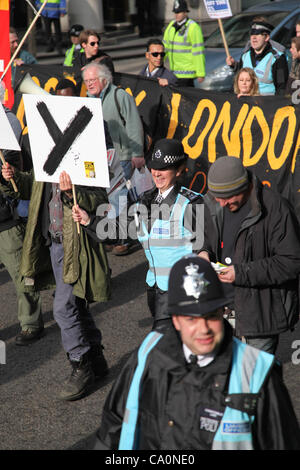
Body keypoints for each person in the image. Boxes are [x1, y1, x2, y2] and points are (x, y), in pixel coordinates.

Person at [93, 255, 300, 450]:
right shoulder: (148, 353)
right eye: (191, 318)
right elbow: (114, 425)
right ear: (175, 320)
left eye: (211, 316)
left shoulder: (257, 374)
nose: (204, 329)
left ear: (223, 312)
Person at [1, 111, 111, 400]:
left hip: (75, 247)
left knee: (64, 308)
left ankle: (81, 363)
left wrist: (70, 193)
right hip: (53, 245)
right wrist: (12, 177)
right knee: (76, 303)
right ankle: (96, 359)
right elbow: (31, 188)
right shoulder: (47, 167)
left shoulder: (83, 164)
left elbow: (100, 201)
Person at [72, 138, 204, 331]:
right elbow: (120, 229)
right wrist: (89, 221)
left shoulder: (192, 203)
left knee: (171, 348)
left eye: (164, 168)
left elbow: (204, 251)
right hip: (155, 290)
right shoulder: (146, 200)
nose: (156, 173)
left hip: (183, 293)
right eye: (153, 167)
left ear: (179, 169)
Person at [199, 156, 300, 354]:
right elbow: (205, 237)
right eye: (217, 197)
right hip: (220, 308)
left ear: (244, 186)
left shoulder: (276, 209)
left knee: (254, 379)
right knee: (223, 377)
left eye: (227, 198)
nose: (221, 204)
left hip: (259, 314)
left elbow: (292, 261)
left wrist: (240, 273)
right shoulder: (213, 201)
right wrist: (203, 252)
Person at [82, 62, 144, 255]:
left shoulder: (120, 96)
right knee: (106, 199)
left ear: (104, 79)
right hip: (99, 159)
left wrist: (138, 154)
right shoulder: (88, 99)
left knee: (120, 199)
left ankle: (122, 240)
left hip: (121, 157)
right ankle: (109, 233)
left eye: (92, 80)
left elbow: (134, 125)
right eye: (86, 81)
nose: (89, 84)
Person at [0, 82, 43, 346]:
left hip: (6, 216)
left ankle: (30, 323)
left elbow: (13, 168)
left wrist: (7, 172)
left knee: (20, 272)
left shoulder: (8, 122)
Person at [226, 17, 289, 95]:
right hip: (247, 104)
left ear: (266, 37)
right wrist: (234, 66)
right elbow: (238, 82)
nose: (253, 38)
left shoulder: (278, 58)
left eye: (258, 34)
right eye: (252, 34)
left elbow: (281, 88)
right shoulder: (245, 56)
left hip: (266, 104)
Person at [163, 0, 205, 87]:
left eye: (179, 12)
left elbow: (198, 52)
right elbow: (165, 47)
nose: (176, 14)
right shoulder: (171, 26)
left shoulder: (193, 27)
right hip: (174, 72)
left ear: (185, 12)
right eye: (175, 12)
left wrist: (200, 73)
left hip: (187, 73)